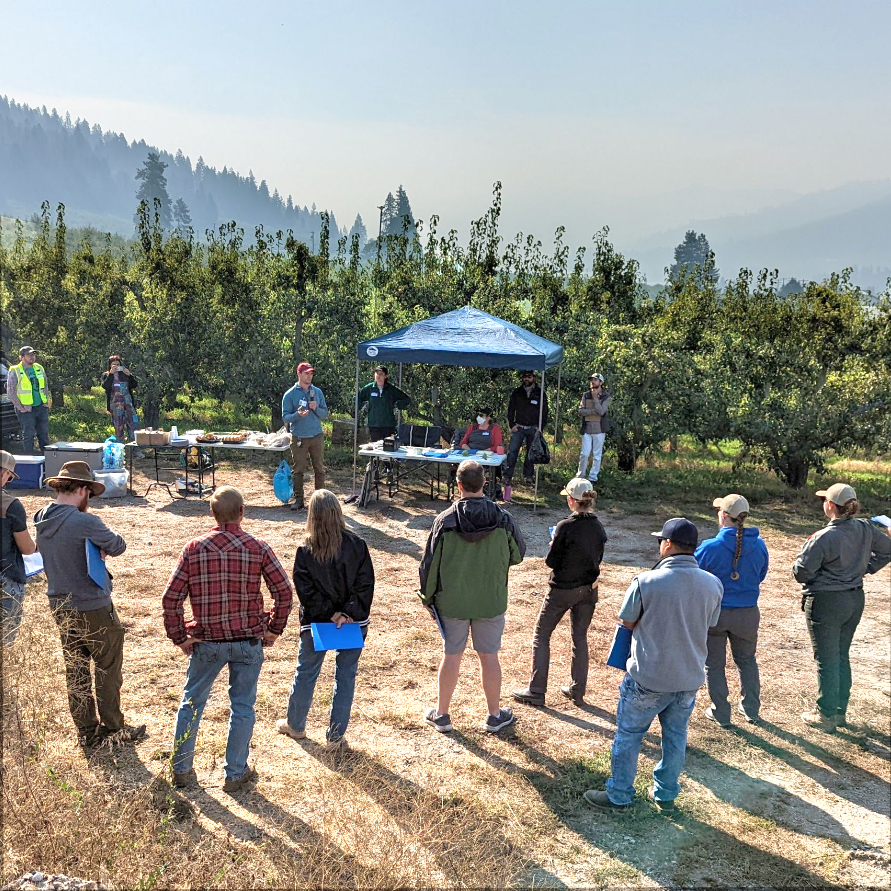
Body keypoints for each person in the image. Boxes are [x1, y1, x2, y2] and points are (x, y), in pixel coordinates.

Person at [584, 518, 722, 812]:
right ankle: (666, 795)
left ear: (668, 545)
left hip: (648, 676)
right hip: (688, 678)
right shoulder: (713, 584)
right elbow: (710, 622)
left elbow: (628, 620)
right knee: (675, 738)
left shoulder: (645, 582)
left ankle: (619, 794)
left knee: (629, 735)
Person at [162, 486, 293, 792]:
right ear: (242, 512)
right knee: (243, 706)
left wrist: (180, 637)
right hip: (247, 640)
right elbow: (284, 592)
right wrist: (273, 629)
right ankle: (235, 773)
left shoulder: (194, 548)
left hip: (207, 642)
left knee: (191, 703)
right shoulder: (258, 547)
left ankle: (181, 769)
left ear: (212, 514)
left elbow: (171, 599)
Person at [34, 461, 145, 746]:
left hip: (59, 602)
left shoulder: (40, 517)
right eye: (90, 494)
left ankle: (86, 730)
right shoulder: (85, 521)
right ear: (82, 489)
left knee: (76, 668)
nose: (90, 500)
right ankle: (112, 728)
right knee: (108, 666)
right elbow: (118, 545)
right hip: (93, 604)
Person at [418, 460, 526, 734]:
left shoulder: (444, 521)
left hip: (452, 601)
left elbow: (429, 565)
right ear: (484, 483)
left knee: (451, 655)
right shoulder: (503, 518)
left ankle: (442, 715)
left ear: (458, 485)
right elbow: (518, 554)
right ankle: (494, 715)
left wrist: (427, 598)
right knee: (489, 656)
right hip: (490, 600)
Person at [277, 490, 375, 746]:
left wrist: (331, 613)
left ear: (311, 515)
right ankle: (336, 737)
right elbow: (365, 584)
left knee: (306, 672)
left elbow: (306, 591)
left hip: (318, 622)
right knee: (345, 677)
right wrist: (347, 613)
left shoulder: (305, 550)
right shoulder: (358, 545)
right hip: (353, 623)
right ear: (338, 513)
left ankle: (296, 725)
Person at [792, 483, 891, 733]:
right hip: (854, 599)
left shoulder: (824, 537)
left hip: (826, 601)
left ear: (831, 506)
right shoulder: (865, 528)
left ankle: (825, 714)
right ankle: (839, 711)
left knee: (826, 659)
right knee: (841, 655)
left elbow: (802, 573)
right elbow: (888, 549)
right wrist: (866, 567)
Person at [512, 478, 606, 707]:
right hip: (588, 590)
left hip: (563, 589)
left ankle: (536, 690)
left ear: (572, 500)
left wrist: (554, 541)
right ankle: (577, 690)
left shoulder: (565, 526)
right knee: (579, 638)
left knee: (541, 635)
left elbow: (551, 561)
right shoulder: (598, 527)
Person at [695, 494, 769, 727]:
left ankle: (721, 712)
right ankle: (751, 709)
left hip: (716, 614)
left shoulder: (710, 547)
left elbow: (695, 576)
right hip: (747, 612)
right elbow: (762, 574)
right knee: (747, 660)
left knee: (714, 665)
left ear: (724, 515)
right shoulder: (759, 545)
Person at [1, 450, 37, 646]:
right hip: (5, 578)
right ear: (4, 473)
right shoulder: (10, 505)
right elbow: (27, 548)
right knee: (4, 642)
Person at [282, 361, 329, 511]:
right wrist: (297, 415)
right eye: (307, 373)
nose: (310, 376)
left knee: (319, 468)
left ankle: (319, 501)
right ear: (299, 374)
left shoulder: (317, 392)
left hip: (316, 436)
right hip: (299, 438)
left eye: (311, 373)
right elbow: (285, 417)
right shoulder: (290, 394)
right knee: (299, 470)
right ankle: (299, 500)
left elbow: (325, 414)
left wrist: (316, 409)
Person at [503, 370, 548, 503]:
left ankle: (528, 476)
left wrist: (540, 427)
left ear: (534, 378)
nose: (526, 379)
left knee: (531, 453)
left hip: (533, 428)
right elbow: (510, 410)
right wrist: (512, 425)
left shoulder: (540, 393)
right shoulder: (517, 392)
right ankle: (507, 477)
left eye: (529, 376)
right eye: (524, 377)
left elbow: (545, 411)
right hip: (519, 427)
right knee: (512, 452)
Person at [7, 346, 50, 454]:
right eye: (29, 355)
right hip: (26, 409)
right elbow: (11, 392)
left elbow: (45, 385)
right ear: (21, 357)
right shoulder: (15, 370)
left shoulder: (39, 368)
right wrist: (20, 408)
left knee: (44, 435)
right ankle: (29, 461)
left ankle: (47, 461)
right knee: (28, 435)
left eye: (33, 354)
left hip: (41, 407)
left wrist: (46, 402)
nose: (32, 357)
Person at [357, 365, 411, 441]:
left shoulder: (391, 389)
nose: (378, 376)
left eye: (381, 374)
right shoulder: (369, 388)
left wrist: (398, 405)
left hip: (388, 424)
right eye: (376, 373)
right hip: (374, 424)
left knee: (388, 447)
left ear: (385, 376)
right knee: (376, 448)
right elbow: (357, 398)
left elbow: (407, 399)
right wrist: (362, 406)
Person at [577, 373, 610, 483]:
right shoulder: (586, 395)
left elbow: (601, 411)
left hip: (599, 430)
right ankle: (580, 476)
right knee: (584, 454)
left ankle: (593, 478)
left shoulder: (606, 396)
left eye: (595, 380)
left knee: (597, 456)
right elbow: (581, 411)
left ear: (601, 383)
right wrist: (592, 412)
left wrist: (595, 399)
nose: (592, 382)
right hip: (587, 429)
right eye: (591, 380)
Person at [100, 355, 140, 444]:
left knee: (133, 425)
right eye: (114, 365)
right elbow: (105, 386)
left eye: (118, 364)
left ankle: (135, 448)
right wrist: (111, 374)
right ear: (110, 365)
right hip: (116, 405)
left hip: (128, 404)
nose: (116, 366)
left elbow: (134, 385)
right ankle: (120, 449)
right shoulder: (106, 375)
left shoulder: (124, 374)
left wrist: (129, 375)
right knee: (118, 427)